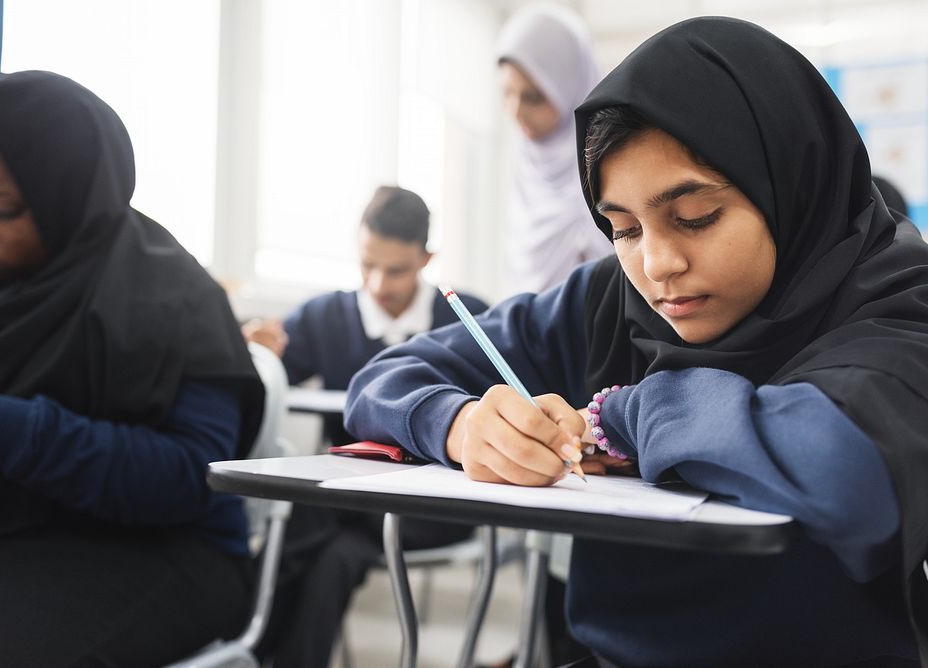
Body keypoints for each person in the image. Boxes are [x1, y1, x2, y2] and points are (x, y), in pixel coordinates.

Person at [346, 17, 928, 667]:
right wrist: (461, 425)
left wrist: (611, 419)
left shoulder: (897, 297)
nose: (657, 264)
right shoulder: (609, 301)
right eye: (622, 228)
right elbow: (383, 378)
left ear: (789, 181)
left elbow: (845, 468)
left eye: (695, 218)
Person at [0, 70, 265, 667]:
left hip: (152, 547)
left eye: (2, 207)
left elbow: (190, 478)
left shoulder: (171, 301)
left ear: (68, 199)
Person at [244, 185, 488, 668]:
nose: (377, 284)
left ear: (426, 259)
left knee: (302, 514)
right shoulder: (326, 315)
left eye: (395, 269)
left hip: (435, 506)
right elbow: (270, 377)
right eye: (366, 265)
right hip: (351, 509)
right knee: (336, 556)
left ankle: (242, 641)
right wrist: (260, 351)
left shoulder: (467, 316)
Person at [497, 4, 613, 294]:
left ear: (570, 85)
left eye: (534, 97)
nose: (516, 112)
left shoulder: (608, 166)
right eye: (507, 93)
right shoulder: (527, 165)